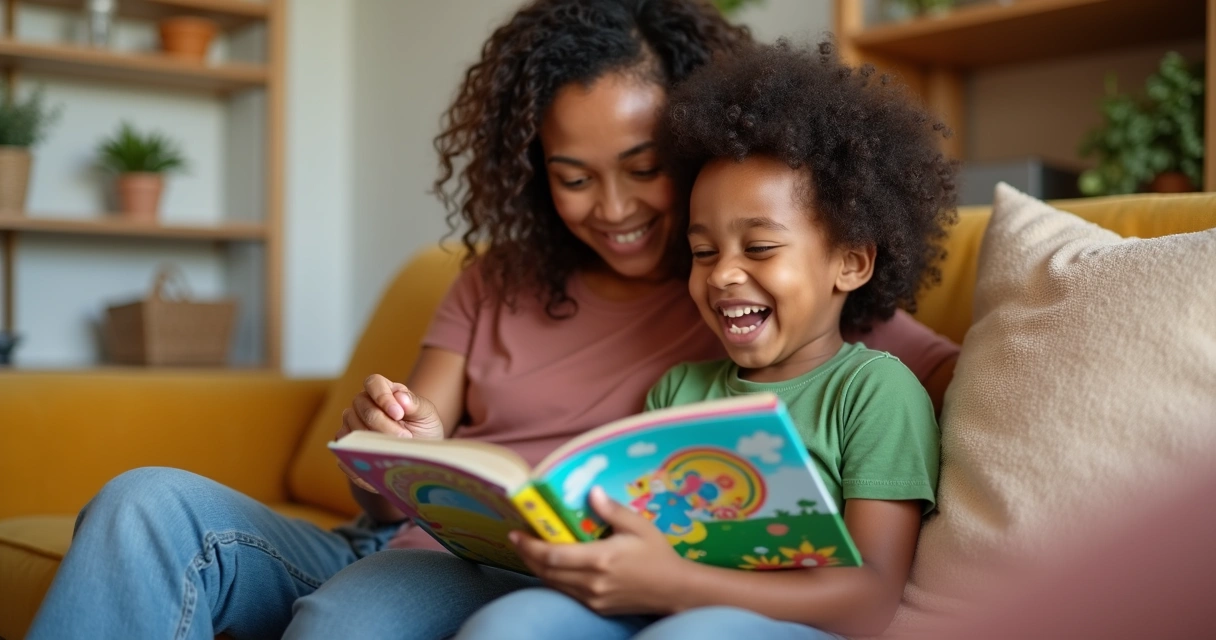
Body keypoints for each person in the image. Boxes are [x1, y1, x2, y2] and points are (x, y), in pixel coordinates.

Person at [27, 2, 956, 639]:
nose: (614, 208)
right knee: (142, 503)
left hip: (536, 577)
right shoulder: (494, 281)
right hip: (407, 547)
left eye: (643, 167)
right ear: (534, 173)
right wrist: (395, 440)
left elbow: (929, 374)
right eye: (573, 177)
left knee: (356, 622)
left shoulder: (749, 295)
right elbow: (387, 494)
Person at [453, 39, 955, 640]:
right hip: (658, 609)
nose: (722, 275)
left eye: (759, 247)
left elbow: (870, 601)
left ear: (851, 262)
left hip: (788, 626)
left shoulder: (875, 393)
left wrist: (678, 585)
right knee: (511, 622)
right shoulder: (676, 393)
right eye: (703, 251)